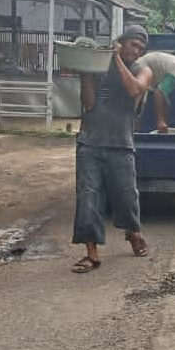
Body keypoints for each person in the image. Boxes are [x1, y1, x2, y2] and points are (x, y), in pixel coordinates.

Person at [71, 25, 154, 273]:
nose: (137, 51)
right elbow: (89, 103)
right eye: (133, 45)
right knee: (88, 198)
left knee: (127, 197)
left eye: (141, 48)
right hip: (91, 142)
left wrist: (116, 57)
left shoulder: (143, 70)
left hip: (121, 144)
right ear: (122, 41)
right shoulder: (100, 67)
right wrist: (86, 74)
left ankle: (133, 231)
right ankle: (92, 253)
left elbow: (134, 90)